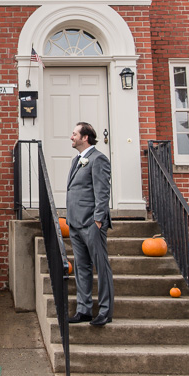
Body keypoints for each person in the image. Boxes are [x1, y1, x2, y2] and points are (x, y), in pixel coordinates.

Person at [65, 122, 113, 327]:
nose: (71, 137)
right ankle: (83, 310)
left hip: (92, 223)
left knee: (101, 267)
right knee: (81, 267)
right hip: (75, 223)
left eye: (74, 134)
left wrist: (98, 219)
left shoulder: (98, 159)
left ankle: (105, 311)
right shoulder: (76, 160)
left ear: (85, 138)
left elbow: (102, 191)